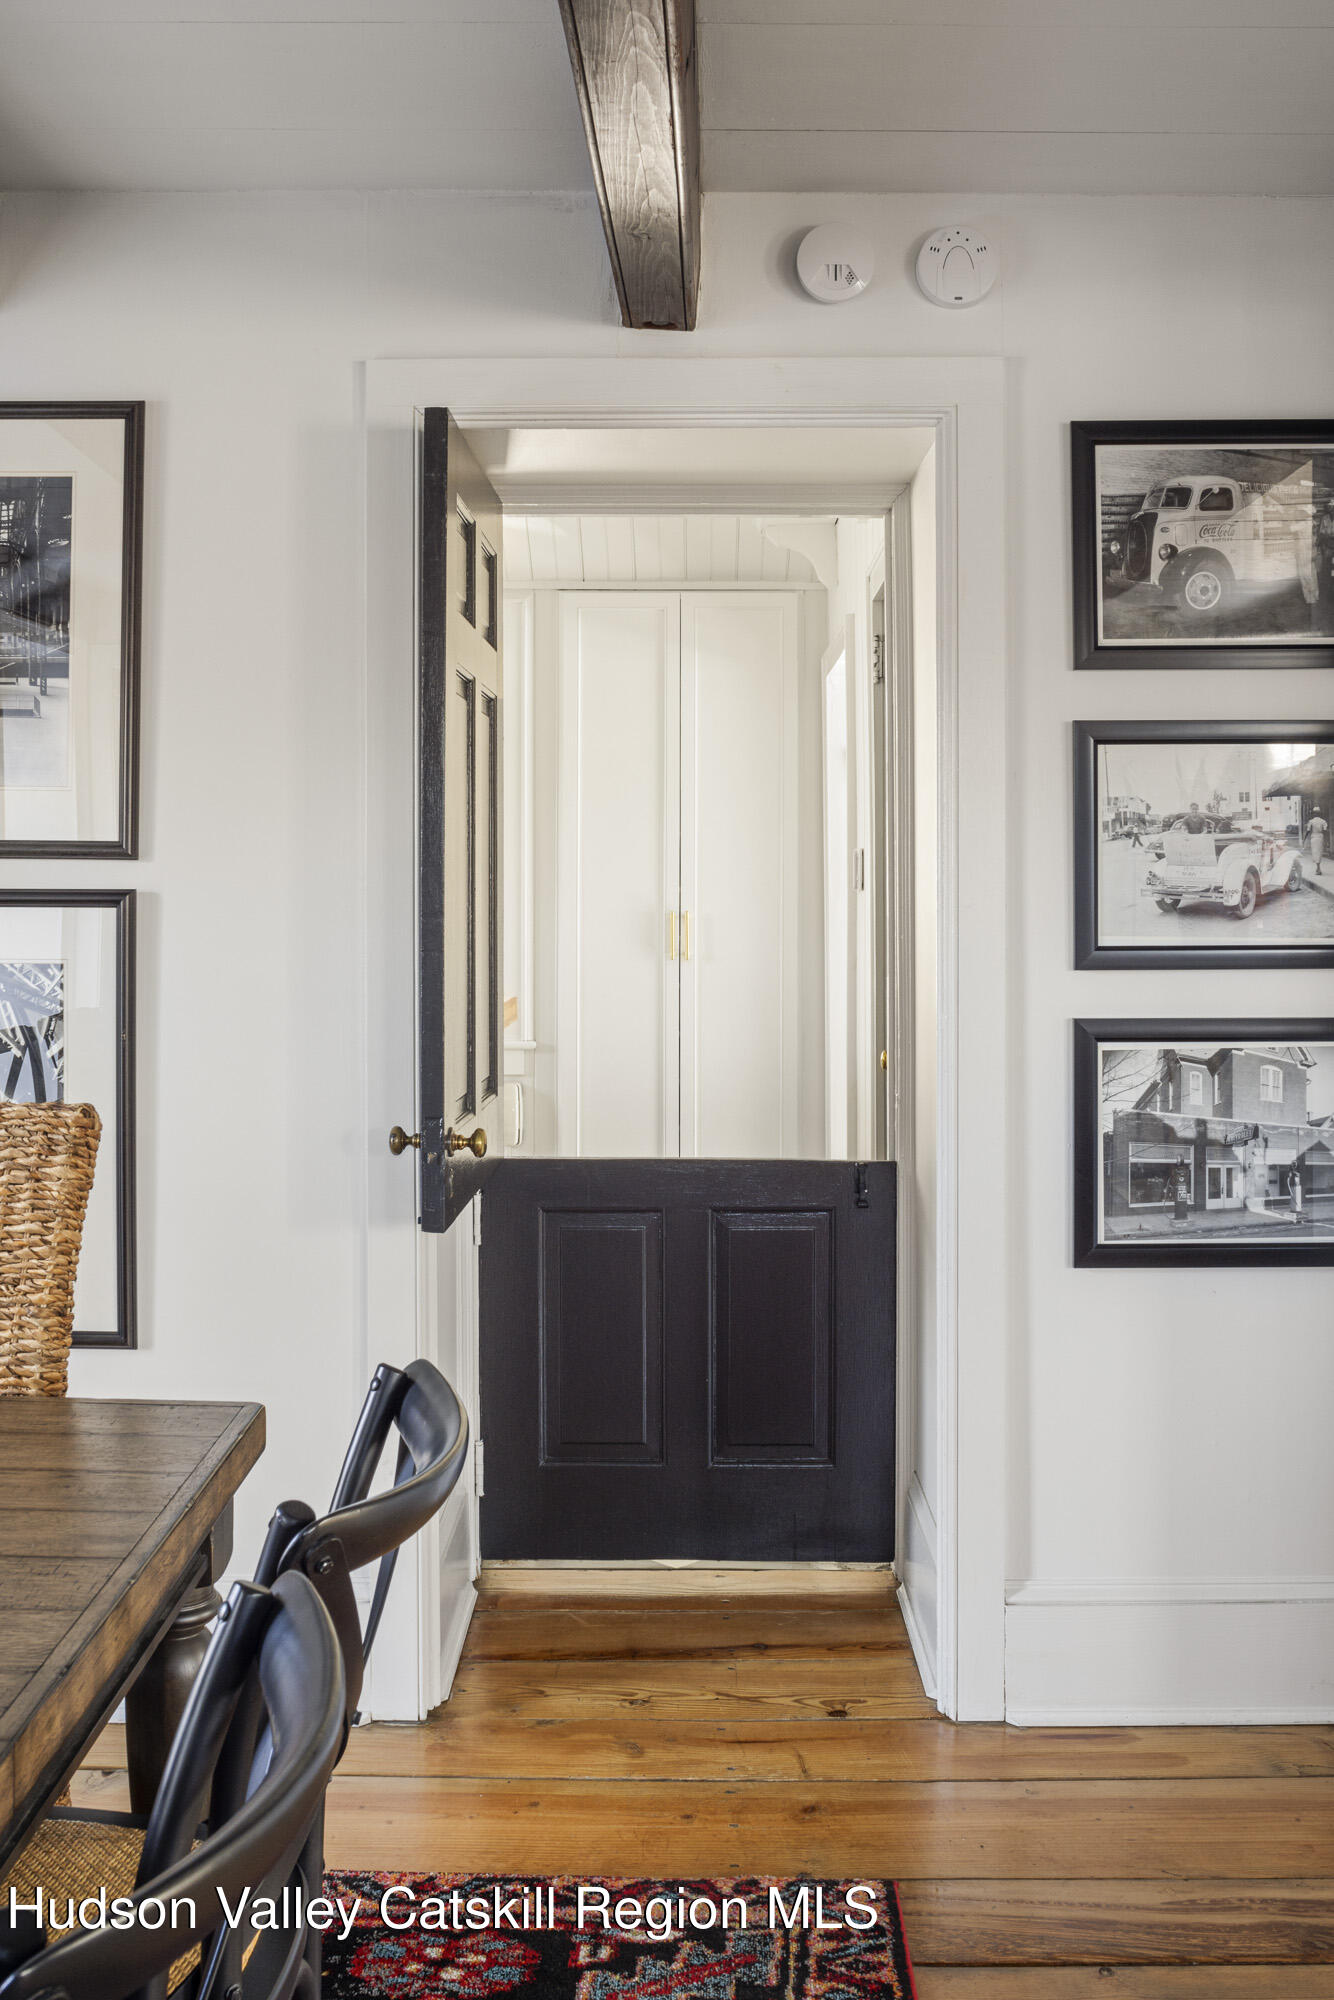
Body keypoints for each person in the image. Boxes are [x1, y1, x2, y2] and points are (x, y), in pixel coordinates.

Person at [1171, 1157, 1191, 1224]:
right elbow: (1174, 1179)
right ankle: (1179, 1216)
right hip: (1180, 1188)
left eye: (1178, 1160)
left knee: (1182, 1202)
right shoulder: (1177, 1170)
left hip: (1182, 1188)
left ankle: (1182, 1216)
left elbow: (1186, 1179)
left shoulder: (1184, 1171)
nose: (1177, 1161)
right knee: (1179, 1201)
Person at [1308, 808, 1327, 877]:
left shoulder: (1311, 821)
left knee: (1315, 852)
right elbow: (1325, 830)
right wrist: (1326, 840)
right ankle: (1318, 868)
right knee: (1319, 852)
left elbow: (1308, 830)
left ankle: (1318, 868)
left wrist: (1304, 839)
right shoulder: (1323, 821)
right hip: (1320, 837)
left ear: (1314, 813)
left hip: (1314, 837)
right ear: (1319, 813)